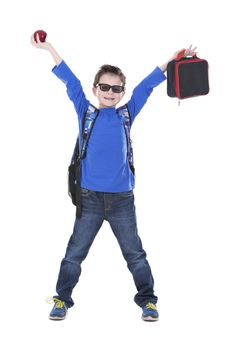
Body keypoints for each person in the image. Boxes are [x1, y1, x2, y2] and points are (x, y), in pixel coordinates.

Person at [31, 33, 197, 321]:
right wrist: (49, 48)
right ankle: (61, 299)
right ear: (96, 89)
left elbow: (146, 87)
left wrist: (170, 63)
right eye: (105, 87)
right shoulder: (86, 113)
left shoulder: (126, 115)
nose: (110, 92)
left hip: (122, 200)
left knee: (135, 254)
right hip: (89, 198)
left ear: (122, 92)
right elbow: (70, 81)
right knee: (74, 253)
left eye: (116, 88)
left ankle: (148, 301)